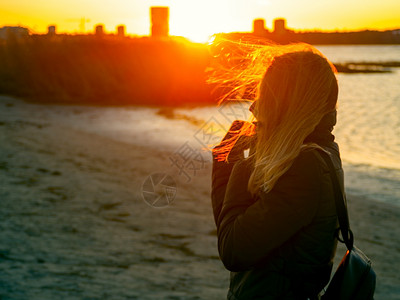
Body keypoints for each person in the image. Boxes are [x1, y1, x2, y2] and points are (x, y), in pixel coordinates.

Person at [211, 45, 343, 299]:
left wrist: (232, 162)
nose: (252, 107)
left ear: (285, 104)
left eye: (263, 96)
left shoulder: (304, 165)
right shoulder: (316, 152)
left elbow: (232, 250)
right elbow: (234, 229)